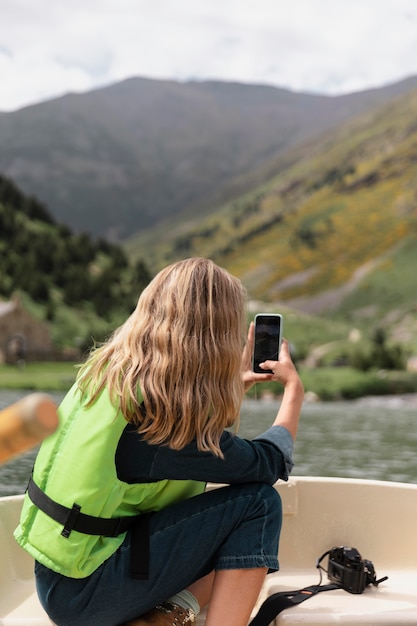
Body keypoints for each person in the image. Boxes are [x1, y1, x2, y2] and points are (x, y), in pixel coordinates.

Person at [14, 257, 304, 626]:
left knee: (227, 522)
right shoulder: (161, 425)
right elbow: (266, 463)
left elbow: (195, 448)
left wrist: (232, 388)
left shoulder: (108, 379)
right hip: (86, 596)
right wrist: (293, 392)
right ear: (214, 342)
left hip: (62, 574)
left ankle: (164, 615)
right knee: (258, 506)